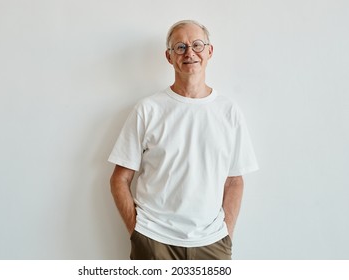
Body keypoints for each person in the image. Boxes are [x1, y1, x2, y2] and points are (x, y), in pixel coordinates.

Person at [108, 20, 259, 260]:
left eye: (197, 45)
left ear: (209, 51)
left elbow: (234, 181)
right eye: (180, 47)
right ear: (169, 57)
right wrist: (137, 233)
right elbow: (120, 177)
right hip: (153, 240)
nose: (189, 52)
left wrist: (226, 236)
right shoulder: (148, 109)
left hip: (212, 242)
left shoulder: (228, 111)